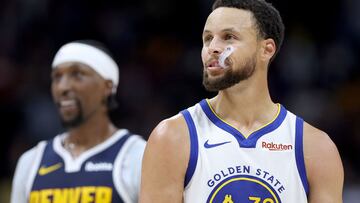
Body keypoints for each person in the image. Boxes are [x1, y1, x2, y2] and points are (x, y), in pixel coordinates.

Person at [140, 0, 344, 202]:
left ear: (267, 50)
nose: (213, 48)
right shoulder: (172, 138)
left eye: (228, 37)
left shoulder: (315, 148)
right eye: (208, 38)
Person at [11, 40, 146, 203]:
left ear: (108, 87)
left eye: (77, 74)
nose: (63, 87)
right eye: (57, 77)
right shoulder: (31, 162)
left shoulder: (138, 156)